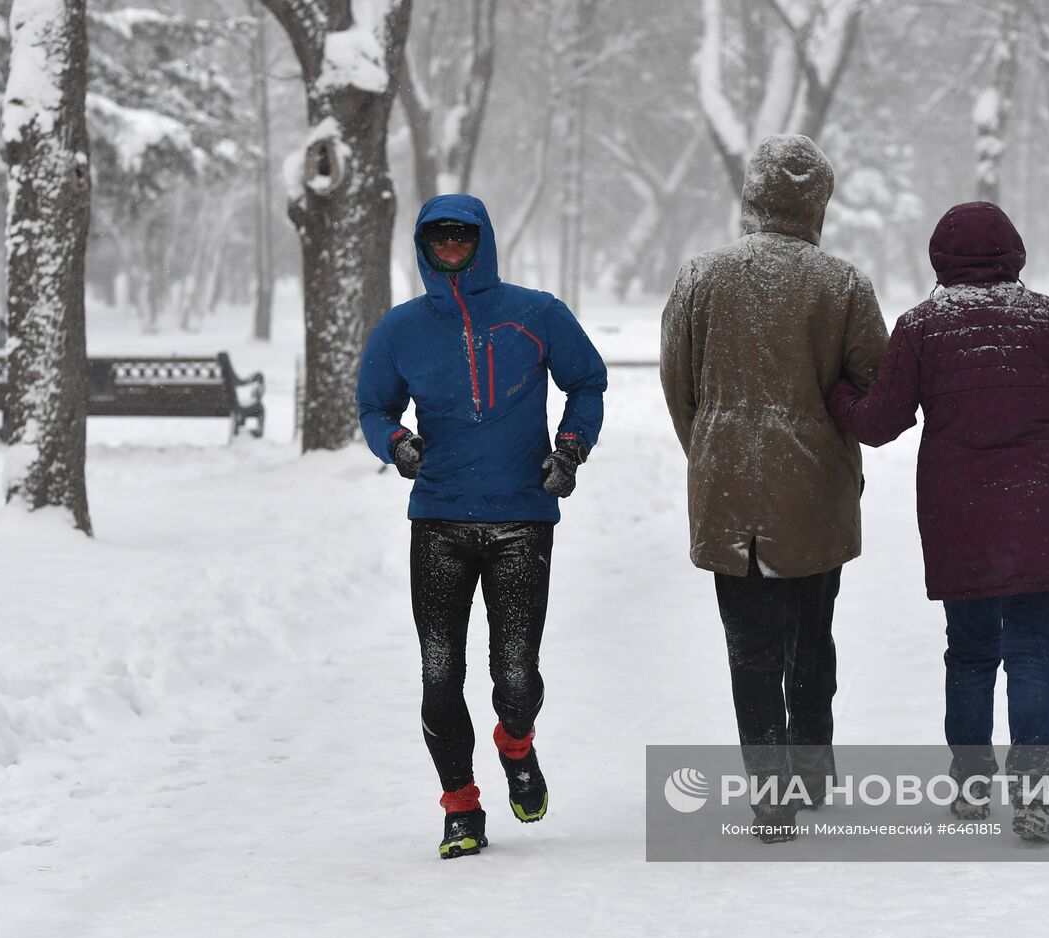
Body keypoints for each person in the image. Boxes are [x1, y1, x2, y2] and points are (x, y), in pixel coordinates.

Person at [826, 201, 1049, 843]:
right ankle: (1033, 797)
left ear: (941, 259)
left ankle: (969, 786)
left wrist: (837, 395)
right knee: (1033, 654)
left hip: (959, 514)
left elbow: (880, 423)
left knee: (969, 654)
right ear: (1013, 252)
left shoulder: (922, 326)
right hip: (1044, 506)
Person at [356, 194, 607, 859]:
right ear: (421, 245)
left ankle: (515, 742)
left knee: (515, 672)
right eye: (435, 239)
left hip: (522, 515)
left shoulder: (536, 313)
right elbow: (373, 405)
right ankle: (460, 804)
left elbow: (587, 381)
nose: (448, 248)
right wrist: (396, 442)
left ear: (482, 240)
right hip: (438, 518)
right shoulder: (400, 330)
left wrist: (571, 448)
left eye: (460, 237)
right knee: (439, 671)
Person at [660, 135, 889, 843]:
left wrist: (711, 449)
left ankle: (771, 790)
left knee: (750, 644)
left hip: (730, 491)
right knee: (811, 634)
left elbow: (678, 384)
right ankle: (814, 763)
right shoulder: (843, 284)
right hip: (817, 494)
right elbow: (875, 385)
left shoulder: (700, 276)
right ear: (818, 200)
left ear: (752, 195)